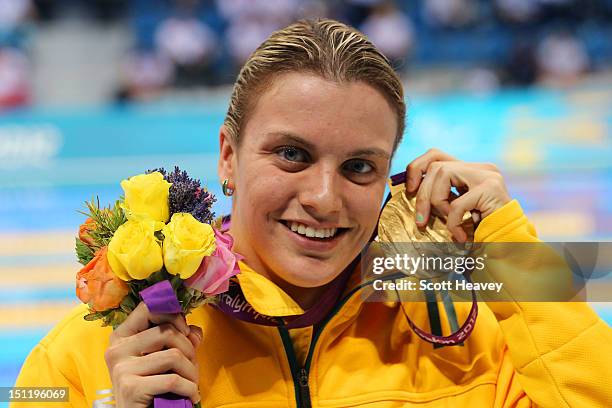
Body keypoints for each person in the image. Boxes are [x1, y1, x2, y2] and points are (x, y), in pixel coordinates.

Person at [13, 18, 612, 407]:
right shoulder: (82, 355)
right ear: (228, 155)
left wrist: (512, 254)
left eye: (359, 167)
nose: (324, 198)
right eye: (292, 154)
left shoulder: (469, 333)